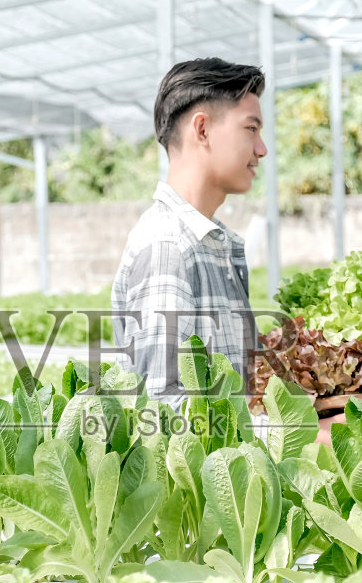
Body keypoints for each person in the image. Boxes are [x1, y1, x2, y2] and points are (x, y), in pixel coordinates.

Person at [111, 58, 268, 406]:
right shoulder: (169, 247)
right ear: (202, 130)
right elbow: (161, 411)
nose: (262, 149)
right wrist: (296, 431)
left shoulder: (213, 245)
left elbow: (241, 395)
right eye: (251, 129)